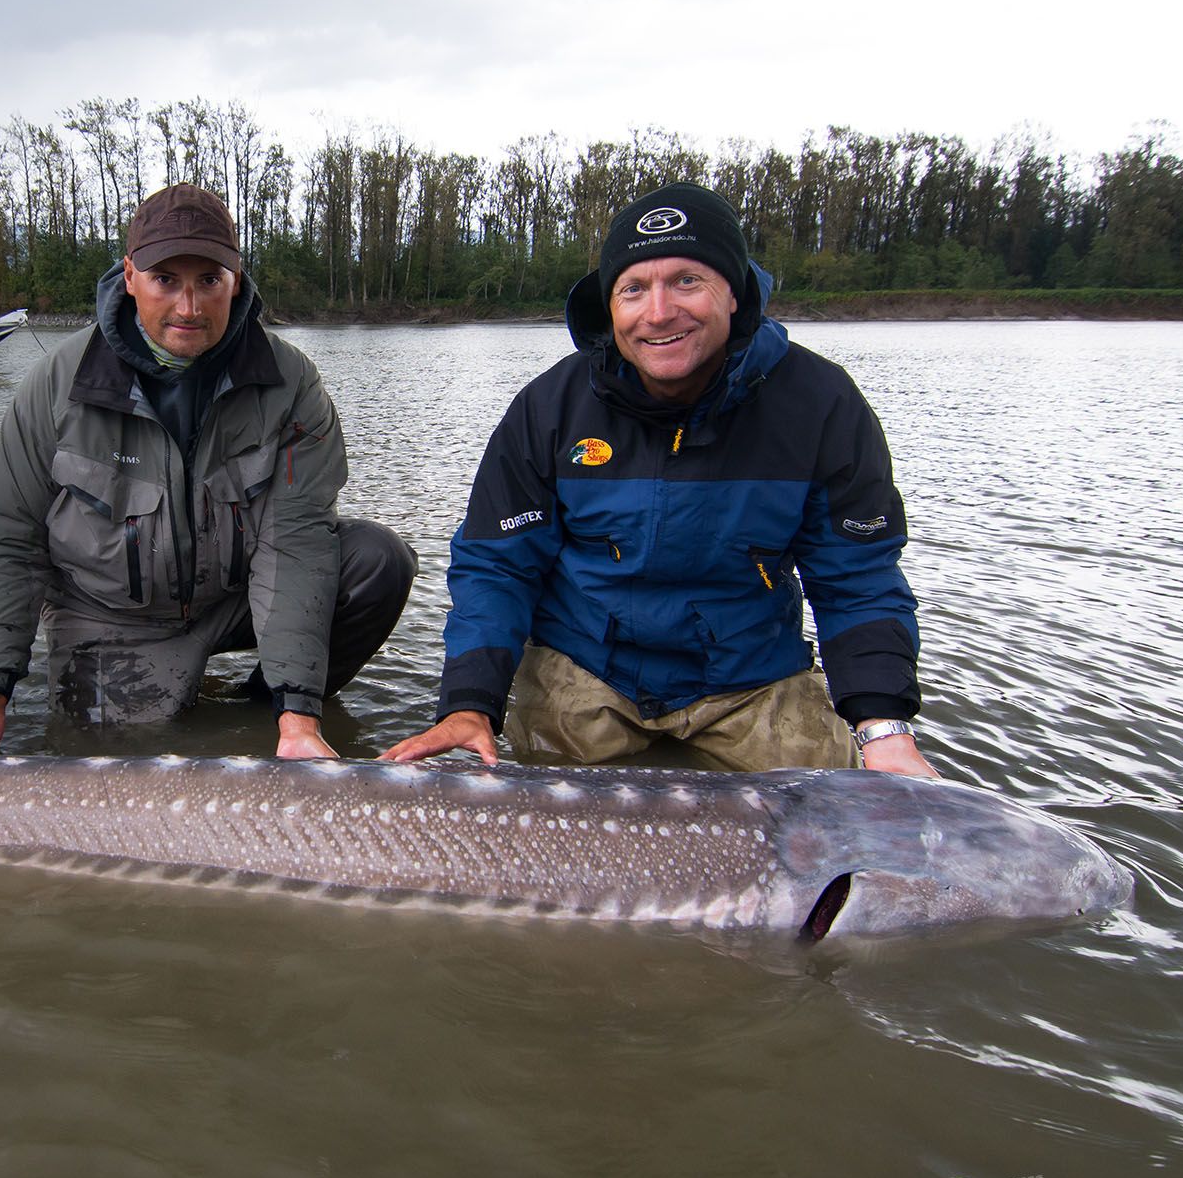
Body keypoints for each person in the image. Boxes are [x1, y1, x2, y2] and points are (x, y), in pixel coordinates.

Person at [384, 182, 936, 777]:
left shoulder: (822, 404)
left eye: (687, 281)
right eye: (633, 289)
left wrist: (884, 729)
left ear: (734, 293)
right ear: (610, 309)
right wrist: (470, 703)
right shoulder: (549, 408)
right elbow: (497, 564)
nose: (658, 312)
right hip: (588, 666)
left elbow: (857, 576)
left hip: (750, 675)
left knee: (828, 819)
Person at [0, 183, 415, 759]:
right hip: (111, 617)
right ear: (131, 275)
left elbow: (295, 543)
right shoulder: (56, 383)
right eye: (166, 280)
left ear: (236, 280)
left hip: (234, 597)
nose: (188, 307)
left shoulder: (290, 382)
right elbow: (7, 541)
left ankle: (261, 708)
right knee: (106, 766)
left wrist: (297, 715)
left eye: (209, 281)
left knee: (376, 560)